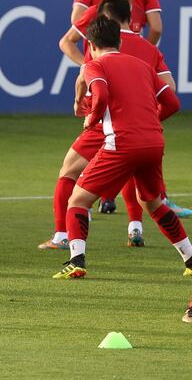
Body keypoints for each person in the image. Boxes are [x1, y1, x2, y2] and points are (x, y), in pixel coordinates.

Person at [52, 17, 190, 280]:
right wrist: (149, 122)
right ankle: (190, 257)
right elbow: (172, 103)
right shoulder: (142, 65)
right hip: (153, 142)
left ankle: (76, 260)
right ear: (119, 40)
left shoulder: (95, 65)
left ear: (90, 44)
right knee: (153, 203)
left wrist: (91, 119)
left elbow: (101, 95)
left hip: (122, 143)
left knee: (77, 201)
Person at [41, 0, 177, 251]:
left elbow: (86, 76)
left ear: (104, 17)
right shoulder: (149, 49)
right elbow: (170, 89)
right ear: (132, 16)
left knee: (69, 172)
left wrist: (79, 102)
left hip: (103, 123)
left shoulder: (101, 45)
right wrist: (148, 117)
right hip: (139, 129)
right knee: (143, 188)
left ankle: (63, 237)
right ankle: (137, 228)